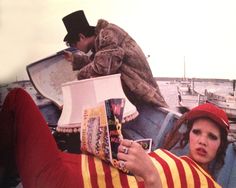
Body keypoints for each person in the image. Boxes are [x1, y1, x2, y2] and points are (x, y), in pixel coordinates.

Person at [0, 88, 229, 188]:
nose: (201, 141)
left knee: (17, 99)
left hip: (69, 183)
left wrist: (151, 176)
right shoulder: (178, 159)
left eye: (212, 137)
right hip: (80, 167)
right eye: (197, 132)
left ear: (220, 147)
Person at [62, 10, 167, 109]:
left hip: (144, 95)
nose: (74, 48)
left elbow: (103, 68)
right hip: (137, 95)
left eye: (73, 44)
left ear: (81, 37)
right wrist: (75, 59)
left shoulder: (107, 35)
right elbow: (100, 62)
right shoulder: (102, 41)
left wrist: (80, 76)